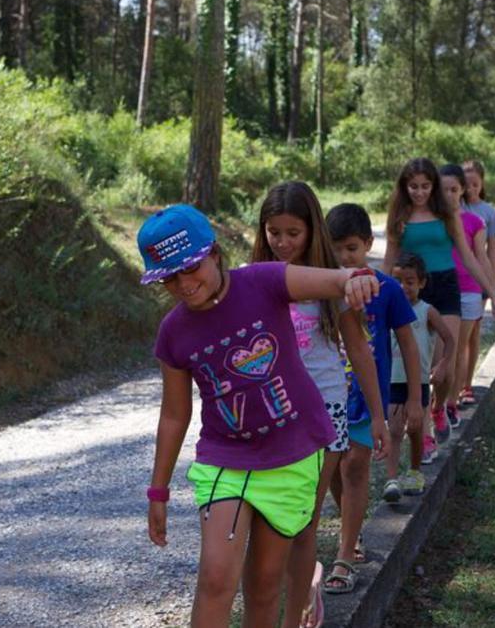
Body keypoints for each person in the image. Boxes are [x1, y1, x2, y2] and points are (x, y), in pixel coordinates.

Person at [142, 204, 381, 628]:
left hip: (292, 457)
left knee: (265, 587)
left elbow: (332, 279)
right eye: (169, 278)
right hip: (224, 461)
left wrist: (354, 278)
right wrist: (158, 491)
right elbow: (174, 416)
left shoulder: (262, 281)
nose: (184, 284)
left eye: (191, 268)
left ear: (214, 253)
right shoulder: (173, 332)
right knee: (216, 577)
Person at [249, 183, 388, 628]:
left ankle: (301, 605)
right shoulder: (256, 278)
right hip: (273, 412)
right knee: (275, 519)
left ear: (312, 231)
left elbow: (359, 351)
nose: (284, 242)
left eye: (294, 232)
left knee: (304, 516)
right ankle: (286, 596)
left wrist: (380, 415)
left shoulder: (332, 282)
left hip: (325, 411)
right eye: (274, 232)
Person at [324, 203, 420, 577]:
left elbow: (409, 345)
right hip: (330, 398)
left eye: (351, 248)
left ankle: (344, 556)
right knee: (333, 468)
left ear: (368, 243)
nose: (343, 257)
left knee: (354, 465)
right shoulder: (322, 288)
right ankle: (351, 528)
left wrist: (413, 397)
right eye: (336, 249)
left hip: (367, 399)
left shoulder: (387, 289)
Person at [381, 158, 495, 442]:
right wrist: (376, 298)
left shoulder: (446, 213)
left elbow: (469, 257)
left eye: (425, 186)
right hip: (412, 292)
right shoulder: (399, 217)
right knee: (423, 364)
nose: (419, 192)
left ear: (433, 186)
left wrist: (494, 295)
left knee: (445, 365)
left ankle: (439, 407)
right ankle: (424, 434)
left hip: (446, 286)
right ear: (404, 187)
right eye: (413, 186)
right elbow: (389, 262)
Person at [387, 252, 455, 498]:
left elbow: (449, 339)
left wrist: (443, 365)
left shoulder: (427, 311)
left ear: (422, 283)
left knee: (415, 430)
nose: (403, 287)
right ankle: (391, 479)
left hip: (418, 381)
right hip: (393, 380)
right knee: (394, 429)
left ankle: (414, 471)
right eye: (397, 281)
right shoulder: (388, 310)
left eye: (410, 282)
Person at [440, 163, 492, 428]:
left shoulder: (475, 221)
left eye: (454, 190)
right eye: (444, 190)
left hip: (469, 292)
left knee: (458, 349)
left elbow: (480, 258)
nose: (449, 195)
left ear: (462, 191)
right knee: (439, 351)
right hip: (438, 290)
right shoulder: (432, 220)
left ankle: (451, 402)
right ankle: (436, 403)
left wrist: (491, 292)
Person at [458, 159, 495, 408]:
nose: (471, 188)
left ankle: (467, 385)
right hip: (457, 279)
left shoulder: (488, 212)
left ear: (482, 184)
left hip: (479, 279)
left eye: (475, 184)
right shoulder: (453, 208)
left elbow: (491, 250)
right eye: (467, 184)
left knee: (474, 333)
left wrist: (491, 282)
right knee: (456, 335)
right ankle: (452, 382)